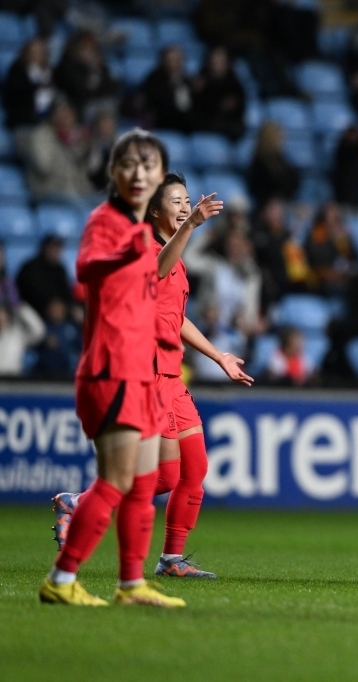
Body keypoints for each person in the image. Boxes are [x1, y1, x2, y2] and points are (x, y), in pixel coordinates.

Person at [51, 173, 247, 580]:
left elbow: (174, 319)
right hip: (148, 373)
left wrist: (218, 356)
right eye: (174, 201)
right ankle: (80, 502)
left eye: (187, 200)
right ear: (154, 209)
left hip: (172, 376)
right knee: (165, 475)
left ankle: (171, 560)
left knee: (192, 472)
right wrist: (191, 225)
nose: (182, 206)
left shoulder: (176, 258)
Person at [38, 129, 185, 607]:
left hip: (140, 372)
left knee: (144, 484)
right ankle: (60, 581)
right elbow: (86, 268)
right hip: (111, 370)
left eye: (149, 165)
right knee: (117, 481)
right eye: (129, 163)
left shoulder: (145, 232)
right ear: (114, 172)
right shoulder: (107, 221)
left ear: (160, 176)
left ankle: (131, 584)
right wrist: (129, 249)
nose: (139, 172)